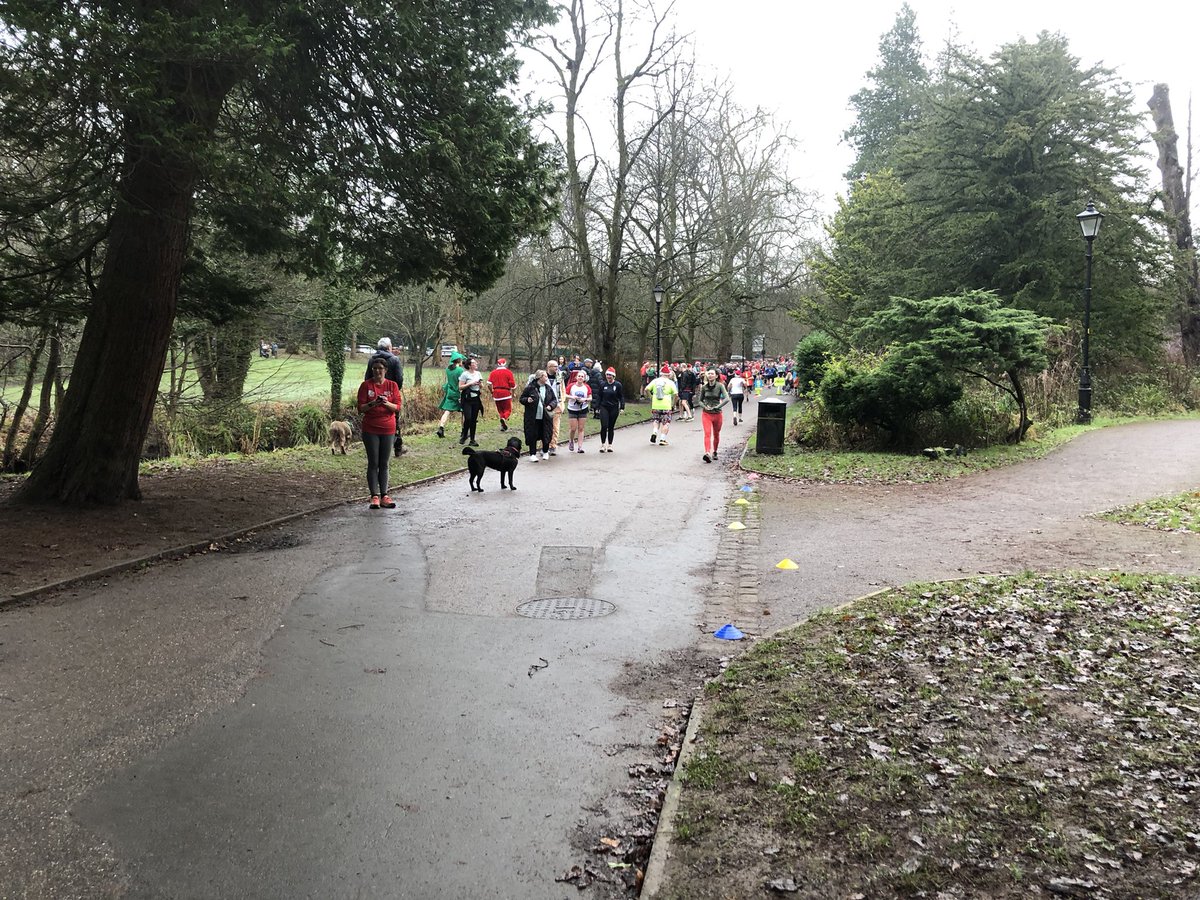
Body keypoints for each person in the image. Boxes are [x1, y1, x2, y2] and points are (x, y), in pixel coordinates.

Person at [357, 358, 401, 509]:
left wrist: (385, 402)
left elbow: (397, 407)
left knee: (384, 463)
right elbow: (361, 408)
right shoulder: (366, 385)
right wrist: (373, 403)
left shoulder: (392, 385)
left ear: (385, 370)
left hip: (388, 428)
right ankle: (374, 495)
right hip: (371, 428)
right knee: (373, 462)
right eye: (374, 368)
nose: (377, 371)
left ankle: (385, 495)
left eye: (380, 368)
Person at [366, 337, 406, 456]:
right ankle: (397, 448)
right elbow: (399, 379)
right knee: (394, 420)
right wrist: (395, 391)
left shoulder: (371, 360)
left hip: (373, 395)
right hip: (390, 395)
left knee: (375, 418)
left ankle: (376, 446)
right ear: (389, 347)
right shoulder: (394, 360)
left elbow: (367, 378)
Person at [520, 369, 557, 461]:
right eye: (545, 376)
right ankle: (532, 454)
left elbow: (554, 400)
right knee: (532, 434)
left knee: (546, 433)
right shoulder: (530, 388)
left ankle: (545, 451)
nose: (547, 378)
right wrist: (527, 400)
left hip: (545, 417)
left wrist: (550, 406)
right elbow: (521, 398)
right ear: (540, 377)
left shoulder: (548, 388)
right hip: (533, 417)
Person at [695, 368, 730, 463]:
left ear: (716, 376)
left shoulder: (720, 386)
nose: (710, 375)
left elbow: (727, 399)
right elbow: (699, 401)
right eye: (709, 374)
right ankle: (707, 453)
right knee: (707, 434)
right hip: (706, 414)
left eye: (712, 374)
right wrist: (705, 407)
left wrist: (717, 407)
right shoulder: (704, 387)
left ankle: (715, 451)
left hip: (717, 413)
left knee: (716, 434)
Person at [644, 364, 678, 445]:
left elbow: (646, 389)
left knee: (656, 420)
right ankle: (662, 439)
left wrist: (651, 396)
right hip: (666, 405)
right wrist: (673, 404)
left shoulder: (655, 381)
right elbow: (676, 395)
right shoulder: (670, 383)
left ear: (661, 373)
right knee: (666, 422)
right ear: (669, 374)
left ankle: (655, 432)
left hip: (656, 404)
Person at [436, 352, 465, 438]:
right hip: (459, 393)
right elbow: (462, 382)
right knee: (463, 412)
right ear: (459, 360)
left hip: (450, 392)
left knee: (447, 411)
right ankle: (463, 431)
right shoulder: (460, 370)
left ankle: (441, 427)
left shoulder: (448, 369)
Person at [595, 367, 624, 452]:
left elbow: (621, 396)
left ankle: (610, 445)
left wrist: (622, 407)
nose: (608, 376)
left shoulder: (618, 385)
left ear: (613, 376)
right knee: (604, 426)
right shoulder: (603, 385)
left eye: (610, 375)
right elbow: (599, 396)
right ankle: (603, 444)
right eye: (607, 375)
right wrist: (597, 407)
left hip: (614, 407)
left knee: (611, 426)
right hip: (604, 407)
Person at [457, 356, 484, 446]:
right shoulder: (465, 374)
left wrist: (480, 384)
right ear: (469, 365)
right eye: (474, 363)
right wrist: (470, 383)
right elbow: (460, 387)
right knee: (468, 418)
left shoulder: (478, 373)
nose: (476, 364)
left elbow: (482, 386)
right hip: (467, 399)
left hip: (476, 398)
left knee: (473, 419)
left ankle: (472, 440)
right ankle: (464, 435)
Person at [565, 369, 592, 452]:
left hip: (583, 409)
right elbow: (565, 395)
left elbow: (590, 398)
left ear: (584, 378)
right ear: (576, 377)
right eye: (579, 376)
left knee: (581, 428)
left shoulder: (587, 387)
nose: (580, 378)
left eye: (582, 376)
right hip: (572, 409)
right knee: (573, 428)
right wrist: (572, 397)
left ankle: (580, 447)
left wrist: (585, 399)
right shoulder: (571, 386)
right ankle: (571, 440)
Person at [487, 358, 516, 432]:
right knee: (508, 409)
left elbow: (489, 384)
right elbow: (512, 384)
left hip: (496, 393)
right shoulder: (508, 372)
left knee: (500, 410)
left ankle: (502, 425)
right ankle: (504, 418)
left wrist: (492, 392)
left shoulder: (493, 373)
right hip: (505, 392)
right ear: (505, 364)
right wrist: (513, 393)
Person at [544, 358, 566, 455]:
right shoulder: (543, 377)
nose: (557, 368)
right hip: (545, 406)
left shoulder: (559, 378)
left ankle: (553, 445)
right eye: (555, 366)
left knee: (555, 427)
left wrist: (561, 403)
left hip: (557, 406)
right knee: (544, 427)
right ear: (549, 367)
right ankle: (545, 446)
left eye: (557, 366)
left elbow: (563, 391)